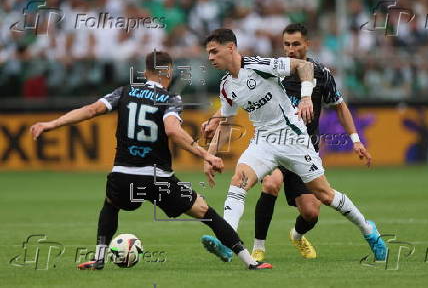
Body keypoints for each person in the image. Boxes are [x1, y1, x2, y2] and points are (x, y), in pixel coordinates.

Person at [29, 51, 272, 270]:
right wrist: (206, 154)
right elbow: (173, 131)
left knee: (111, 204)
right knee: (206, 212)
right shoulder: (169, 99)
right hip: (159, 178)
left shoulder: (124, 92)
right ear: (168, 72)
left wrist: (51, 124)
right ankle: (249, 261)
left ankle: (99, 258)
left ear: (145, 72)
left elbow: (91, 110)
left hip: (123, 174)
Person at [199, 28, 386, 263]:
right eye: (208, 54)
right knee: (239, 181)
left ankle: (370, 232)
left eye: (214, 52)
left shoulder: (259, 65)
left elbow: (304, 67)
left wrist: (306, 97)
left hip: (293, 138)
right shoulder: (227, 85)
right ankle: (228, 242)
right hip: (264, 141)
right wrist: (210, 155)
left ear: (231, 48)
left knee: (325, 195)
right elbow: (226, 121)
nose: (210, 58)